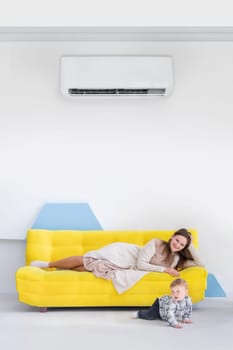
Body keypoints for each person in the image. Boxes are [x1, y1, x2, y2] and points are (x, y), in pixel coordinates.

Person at [30, 228, 203, 293]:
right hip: (124, 254)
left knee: (89, 267)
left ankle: (61, 269)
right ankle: (47, 264)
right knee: (88, 259)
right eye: (177, 240)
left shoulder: (177, 258)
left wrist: (190, 243)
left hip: (127, 266)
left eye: (182, 244)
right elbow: (141, 264)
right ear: (171, 237)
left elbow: (200, 264)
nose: (177, 244)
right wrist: (164, 270)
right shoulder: (156, 242)